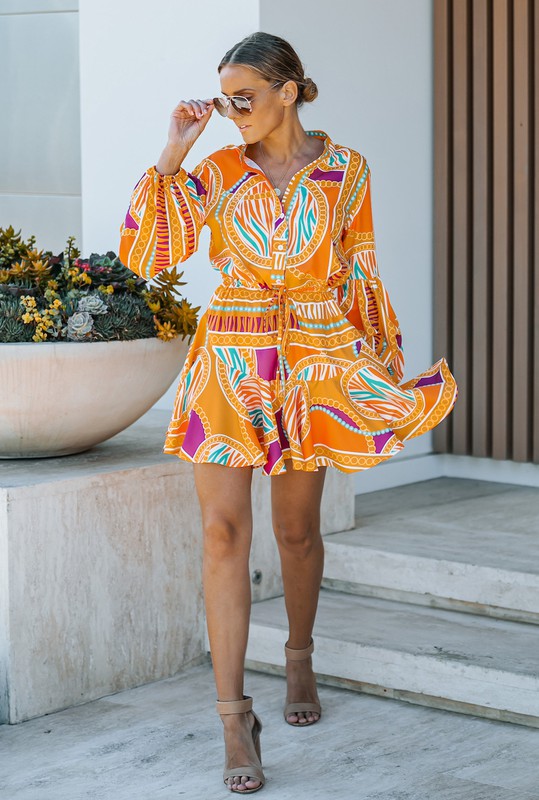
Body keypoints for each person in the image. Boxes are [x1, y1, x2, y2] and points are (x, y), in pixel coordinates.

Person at [119, 31, 458, 795]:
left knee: (297, 529)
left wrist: (375, 367)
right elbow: (147, 256)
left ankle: (298, 657)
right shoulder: (215, 170)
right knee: (220, 533)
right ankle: (233, 718)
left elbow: (361, 271)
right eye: (224, 98)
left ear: (288, 90)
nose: (230, 110)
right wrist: (173, 152)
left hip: (312, 358)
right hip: (228, 360)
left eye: (243, 97)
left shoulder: (345, 171)